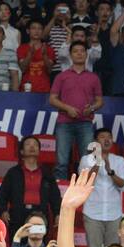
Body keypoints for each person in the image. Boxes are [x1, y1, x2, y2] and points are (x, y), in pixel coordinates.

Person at [48, 41, 103, 180]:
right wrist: (67, 108)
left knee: (87, 162)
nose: (79, 53)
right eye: (75, 51)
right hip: (64, 122)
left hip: (85, 123)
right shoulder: (62, 76)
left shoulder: (93, 77)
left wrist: (91, 108)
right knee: (61, 162)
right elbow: (52, 99)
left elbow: (100, 101)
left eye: (82, 51)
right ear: (70, 55)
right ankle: (60, 193)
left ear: (86, 54)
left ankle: (83, 192)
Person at [77, 128, 124, 247]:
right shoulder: (86, 159)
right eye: (102, 137)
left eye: (109, 137)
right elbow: (84, 182)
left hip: (114, 214)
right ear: (95, 141)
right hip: (92, 213)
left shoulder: (119, 160)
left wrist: (110, 171)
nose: (106, 140)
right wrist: (98, 163)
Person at [0, 136, 63, 231]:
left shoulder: (46, 173)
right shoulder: (13, 172)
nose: (32, 147)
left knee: (39, 245)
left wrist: (57, 214)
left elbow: (55, 196)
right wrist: (3, 210)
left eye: (35, 145)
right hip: (18, 215)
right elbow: (3, 194)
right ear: (22, 151)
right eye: (28, 144)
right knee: (17, 244)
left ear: (39, 151)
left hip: (40, 215)